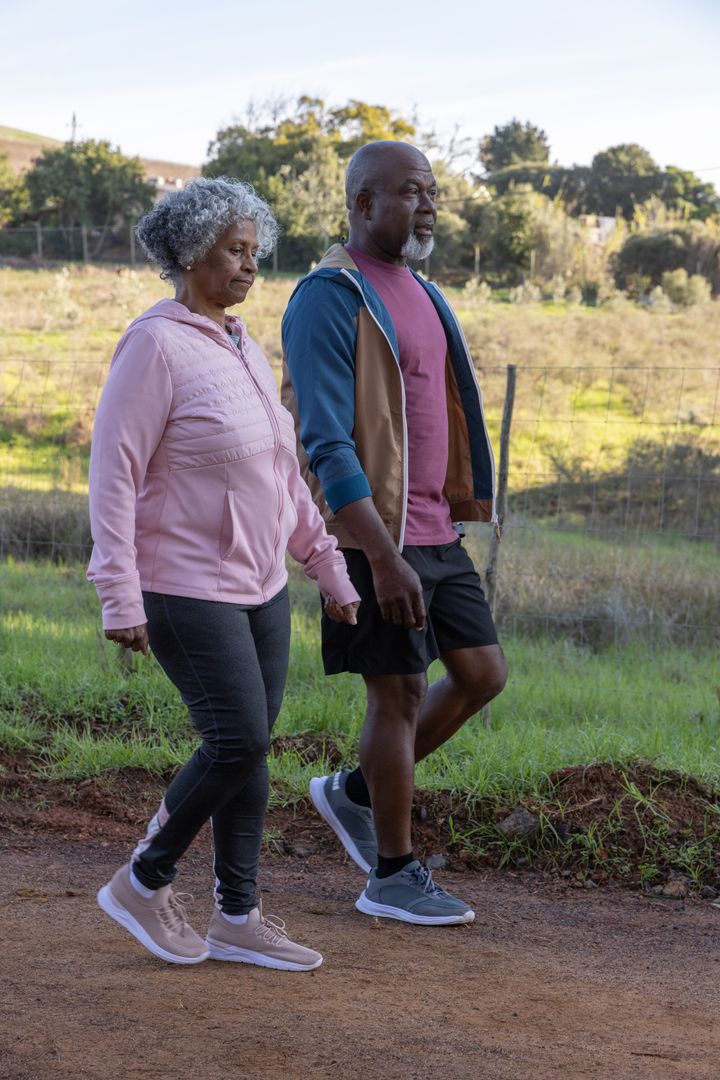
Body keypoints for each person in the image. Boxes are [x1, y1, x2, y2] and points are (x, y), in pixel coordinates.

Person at [88, 177, 360, 970]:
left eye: (254, 252)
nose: (249, 267)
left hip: (261, 587)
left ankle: (237, 915)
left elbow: (280, 474)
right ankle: (143, 879)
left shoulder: (242, 343)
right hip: (182, 587)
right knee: (236, 739)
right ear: (188, 252)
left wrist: (327, 568)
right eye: (234, 251)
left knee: (252, 749)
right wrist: (119, 592)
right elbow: (114, 474)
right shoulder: (154, 345)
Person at [281, 141, 507, 926]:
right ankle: (391, 872)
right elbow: (324, 437)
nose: (429, 204)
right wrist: (377, 555)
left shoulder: (424, 292)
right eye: (411, 191)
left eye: (433, 190)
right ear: (364, 203)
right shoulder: (327, 296)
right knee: (400, 690)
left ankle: (354, 792)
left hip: (436, 530)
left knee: (482, 674)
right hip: (372, 536)